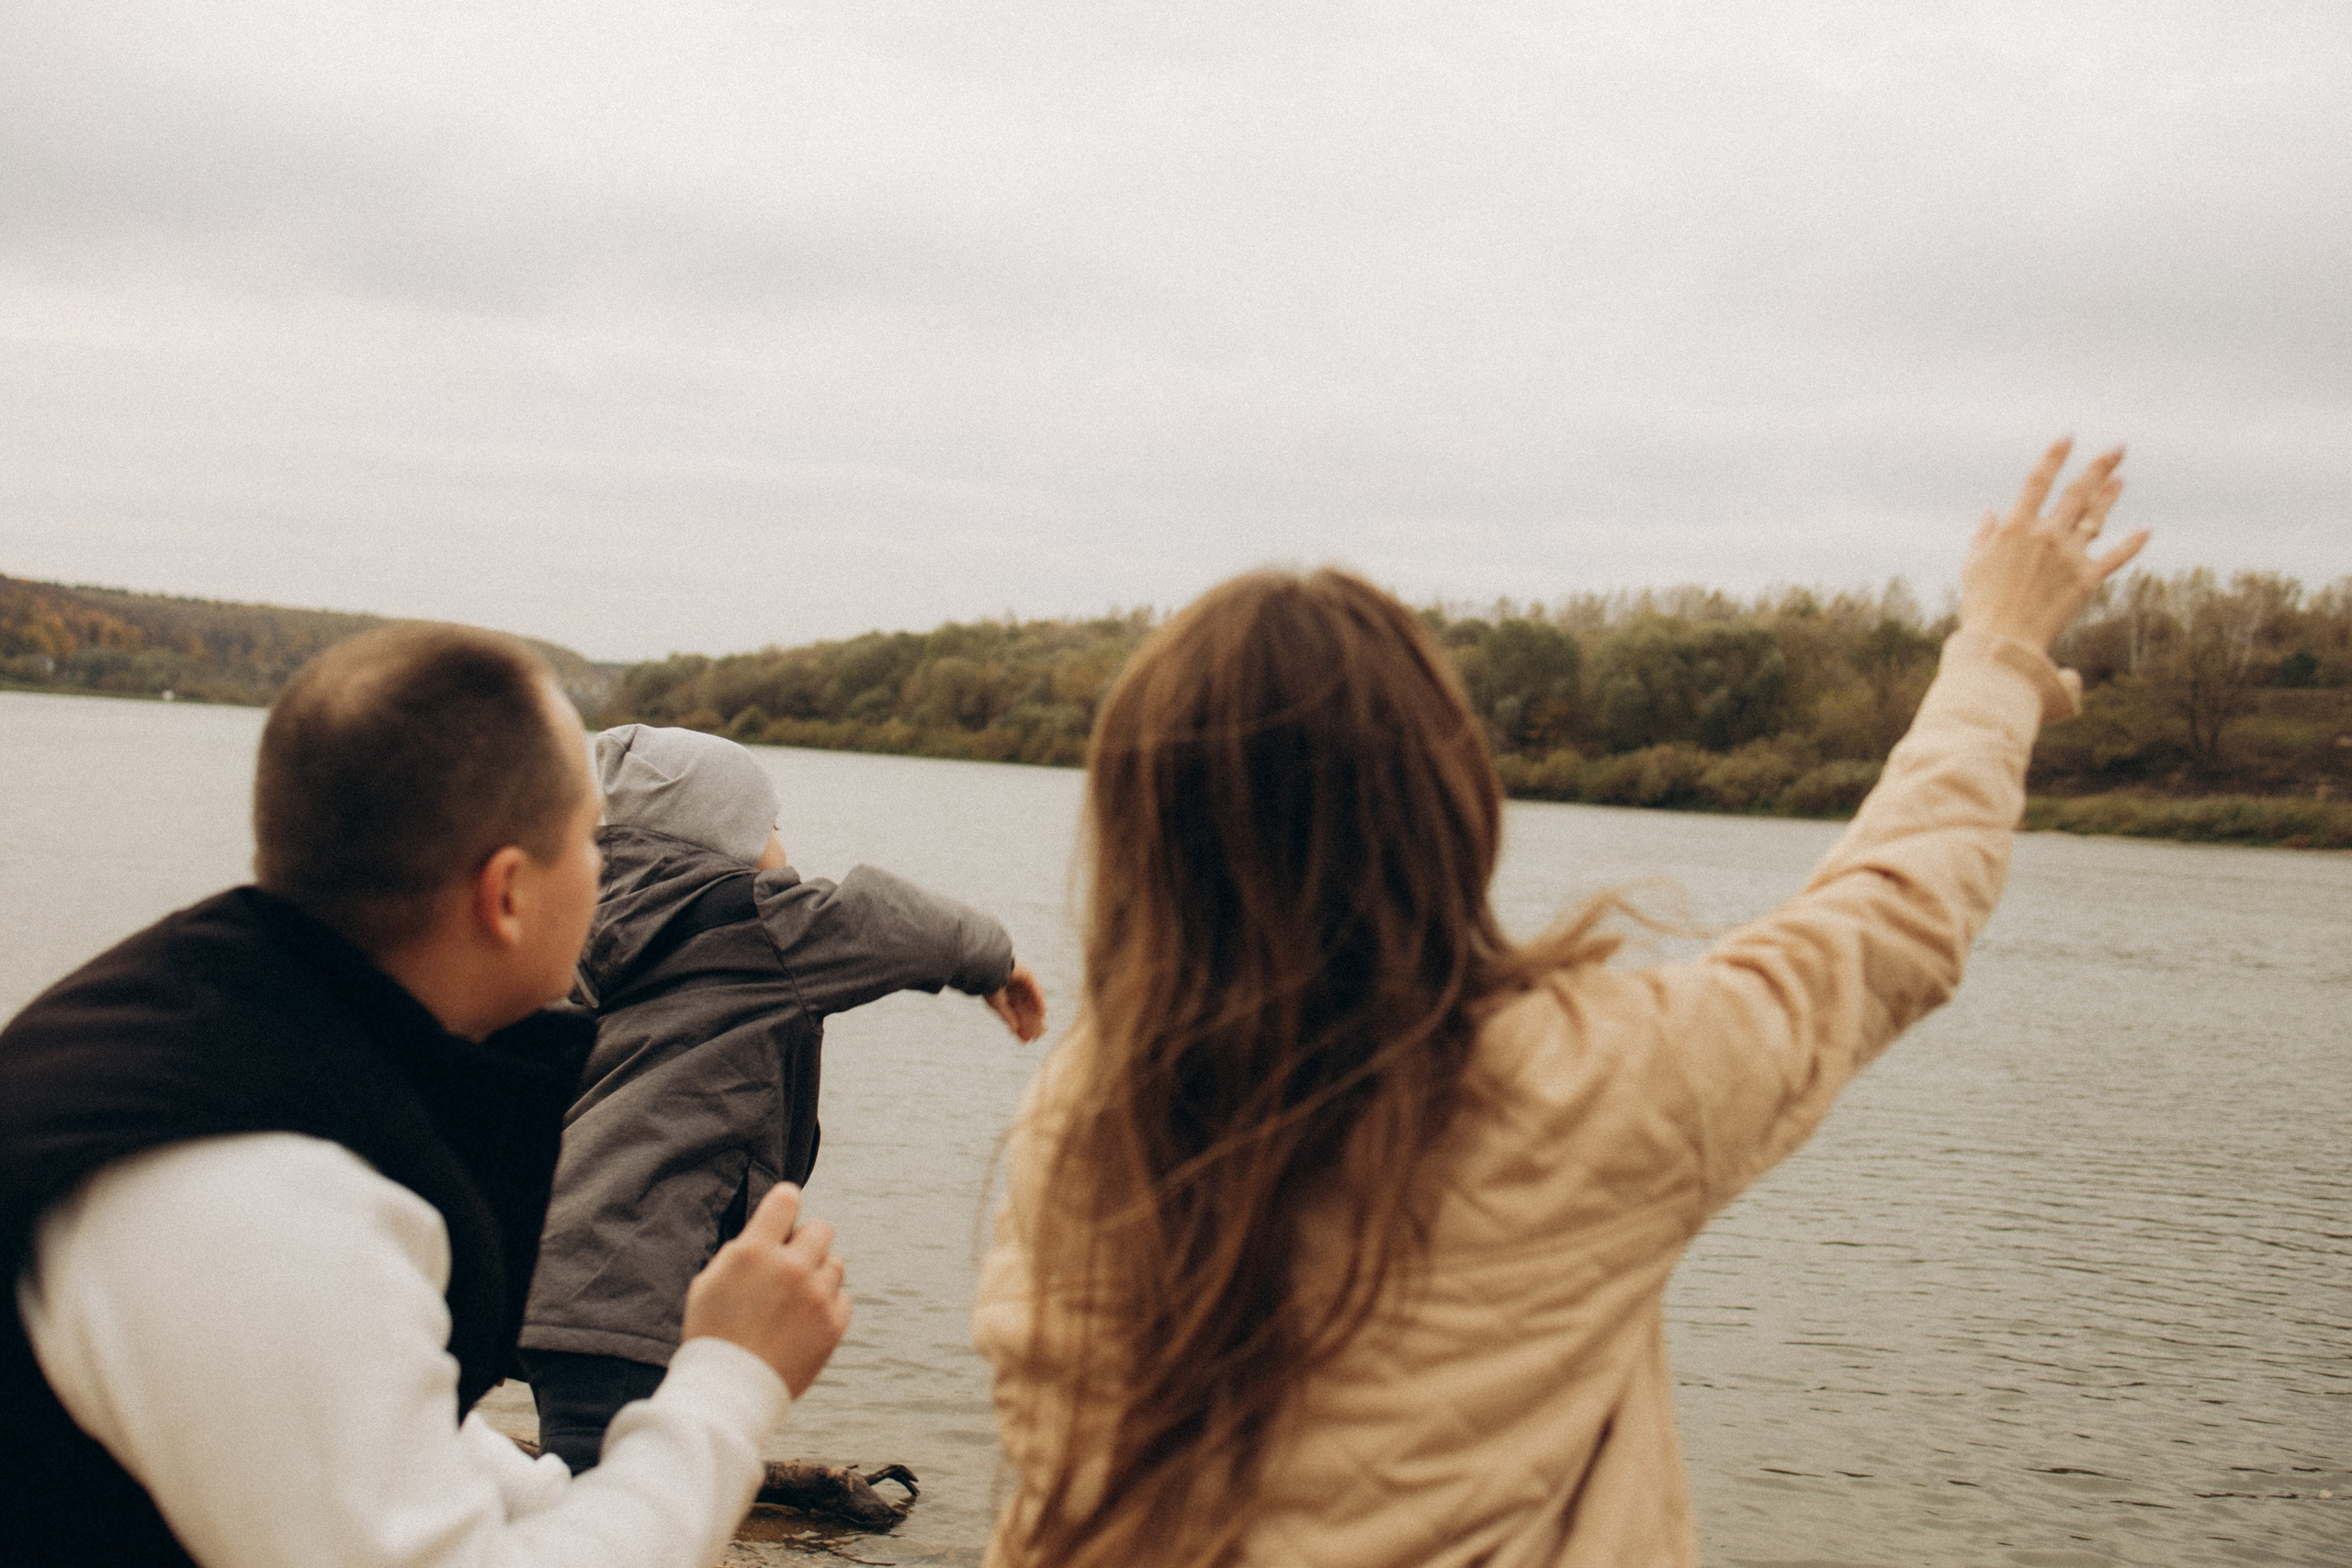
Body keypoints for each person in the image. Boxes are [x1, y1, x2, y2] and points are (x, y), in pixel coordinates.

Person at [973, 440, 2145, 1568]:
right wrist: (1994, 653)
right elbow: (1893, 913)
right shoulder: (1598, 1081)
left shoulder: (1076, 1127)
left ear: (1142, 838)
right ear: (1448, 801)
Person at [0, 624, 852, 1568]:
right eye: (592, 843)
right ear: (509, 893)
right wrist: (730, 1378)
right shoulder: (257, 1190)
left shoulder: (244, 1031)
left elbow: (454, 1472)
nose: (608, 872)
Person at [520, 723, 1046, 1474]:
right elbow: (889, 921)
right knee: (613, 1493)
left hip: (556, 1271)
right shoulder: (762, 922)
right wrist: (993, 959)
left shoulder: (582, 925)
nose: (780, 841)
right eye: (769, 823)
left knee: (595, 1478)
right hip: (640, 1286)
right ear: (719, 836)